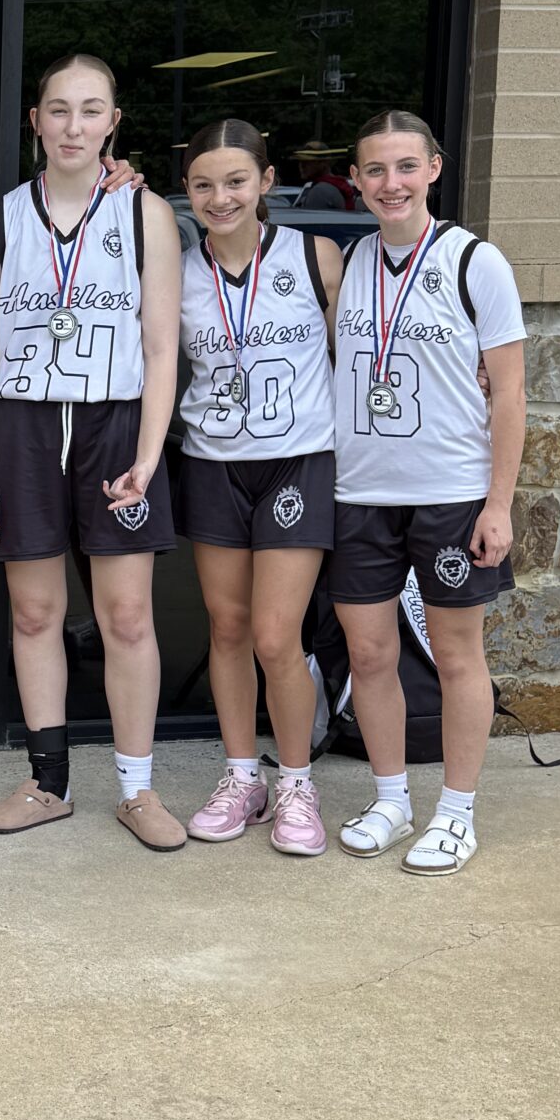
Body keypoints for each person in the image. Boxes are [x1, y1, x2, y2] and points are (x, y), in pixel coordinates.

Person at [0, 53, 186, 851]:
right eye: (58, 109)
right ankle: (47, 782)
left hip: (114, 423)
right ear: (35, 120)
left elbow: (161, 347)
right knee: (34, 613)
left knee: (126, 615)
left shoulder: (144, 215)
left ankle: (136, 789)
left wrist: (150, 454)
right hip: (23, 426)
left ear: (113, 123)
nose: (73, 126)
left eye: (91, 111)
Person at [329, 108, 526, 873]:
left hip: (451, 492)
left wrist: (498, 504)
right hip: (361, 492)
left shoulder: (476, 261)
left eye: (406, 166)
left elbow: (509, 393)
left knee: (455, 656)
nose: (392, 183)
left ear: (434, 169)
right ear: (355, 179)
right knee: (369, 652)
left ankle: (456, 812)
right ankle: (391, 799)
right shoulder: (348, 262)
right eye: (376, 169)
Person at [176, 118, 342, 857]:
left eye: (236, 181)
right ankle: (242, 776)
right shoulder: (176, 272)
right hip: (213, 461)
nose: (221, 198)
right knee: (229, 629)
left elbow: (362, 351)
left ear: (267, 182)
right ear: (186, 191)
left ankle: (297, 782)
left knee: (277, 636)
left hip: (297, 460)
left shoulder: (315, 256)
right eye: (204, 185)